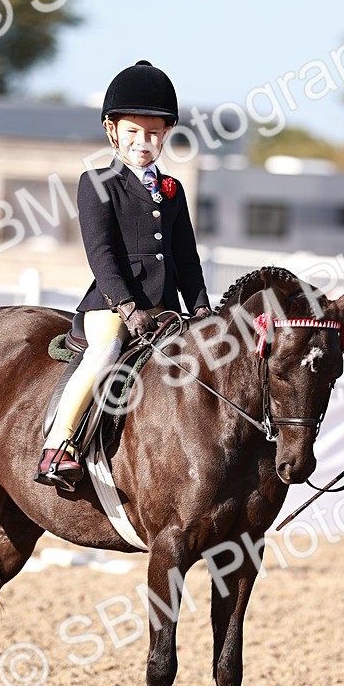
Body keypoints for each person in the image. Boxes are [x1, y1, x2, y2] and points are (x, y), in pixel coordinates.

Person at [34, 60, 211, 490]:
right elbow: (101, 253)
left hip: (166, 308)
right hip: (112, 306)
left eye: (153, 133)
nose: (143, 142)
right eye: (133, 132)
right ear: (113, 132)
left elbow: (186, 258)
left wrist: (203, 308)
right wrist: (129, 307)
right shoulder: (97, 182)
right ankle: (59, 446)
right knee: (106, 351)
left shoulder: (174, 190)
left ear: (166, 134)